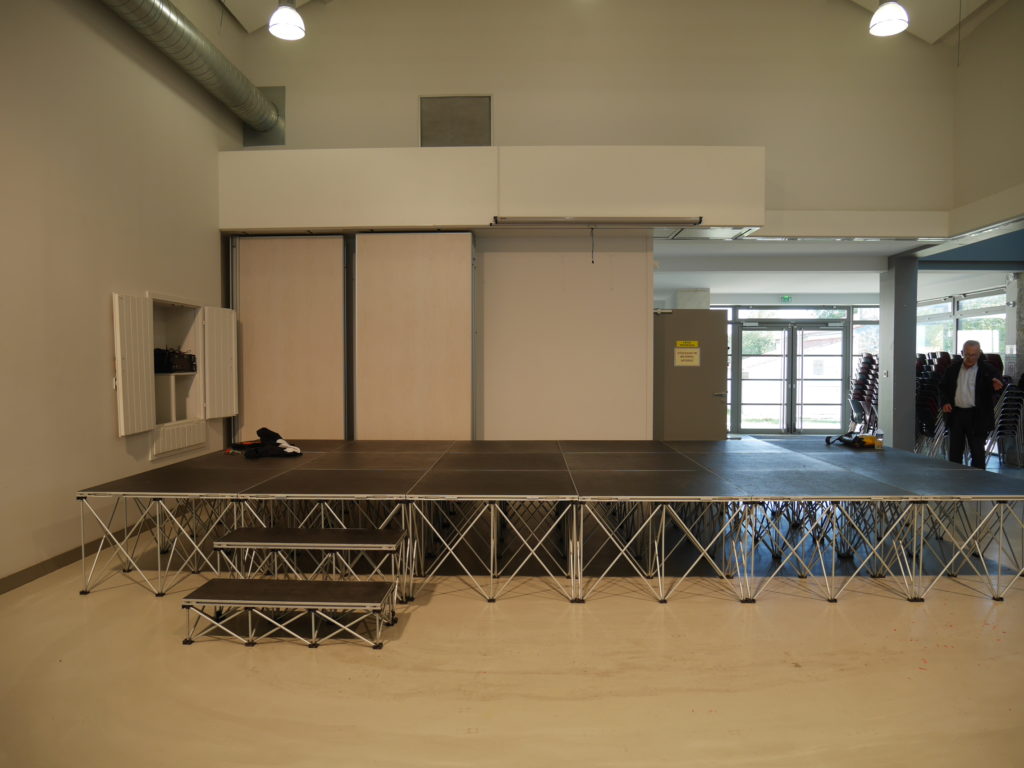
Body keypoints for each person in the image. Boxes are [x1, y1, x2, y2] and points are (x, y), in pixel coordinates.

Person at [940, 340, 1004, 468]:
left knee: (977, 452)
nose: (970, 358)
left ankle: (978, 479)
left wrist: (997, 386)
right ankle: (955, 477)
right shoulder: (953, 369)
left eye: (973, 355)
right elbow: (943, 387)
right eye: (967, 354)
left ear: (979, 354)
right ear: (962, 353)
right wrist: (945, 402)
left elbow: (999, 384)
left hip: (977, 416)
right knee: (954, 452)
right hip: (956, 414)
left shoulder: (987, 369)